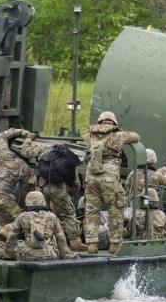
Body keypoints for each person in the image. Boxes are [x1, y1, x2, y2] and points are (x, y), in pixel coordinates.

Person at [82, 111, 140, 255]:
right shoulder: (118, 135)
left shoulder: (88, 134)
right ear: (113, 123)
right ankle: (114, 244)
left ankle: (91, 244)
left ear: (100, 121)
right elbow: (136, 136)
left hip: (91, 177)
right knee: (115, 208)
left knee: (91, 211)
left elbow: (83, 136)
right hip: (109, 177)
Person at [0, 128, 42, 226]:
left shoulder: (1, 152)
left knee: (5, 214)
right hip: (1, 200)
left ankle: (1, 233)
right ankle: (12, 236)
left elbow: (2, 135)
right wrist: (23, 208)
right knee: (21, 218)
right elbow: (24, 195)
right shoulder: (24, 167)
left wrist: (23, 133)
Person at [35, 145, 87, 251]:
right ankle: (75, 242)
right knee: (69, 214)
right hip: (58, 190)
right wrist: (72, 194)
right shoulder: (67, 163)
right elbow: (76, 183)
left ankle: (38, 240)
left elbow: (37, 175)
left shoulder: (46, 158)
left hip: (42, 187)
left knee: (39, 214)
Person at [13, 191, 74, 261]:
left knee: (19, 245)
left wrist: (8, 255)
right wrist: (66, 255)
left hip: (28, 255)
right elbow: (61, 238)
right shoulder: (52, 217)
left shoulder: (22, 216)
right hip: (49, 254)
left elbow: (12, 236)